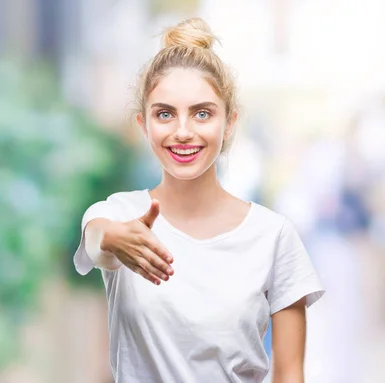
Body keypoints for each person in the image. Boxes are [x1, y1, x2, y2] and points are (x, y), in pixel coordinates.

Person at [73, 17, 324, 383]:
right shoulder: (119, 213)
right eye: (165, 114)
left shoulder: (274, 236)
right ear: (144, 125)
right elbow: (96, 241)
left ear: (229, 123)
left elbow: (289, 373)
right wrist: (113, 239)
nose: (183, 132)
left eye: (202, 113)